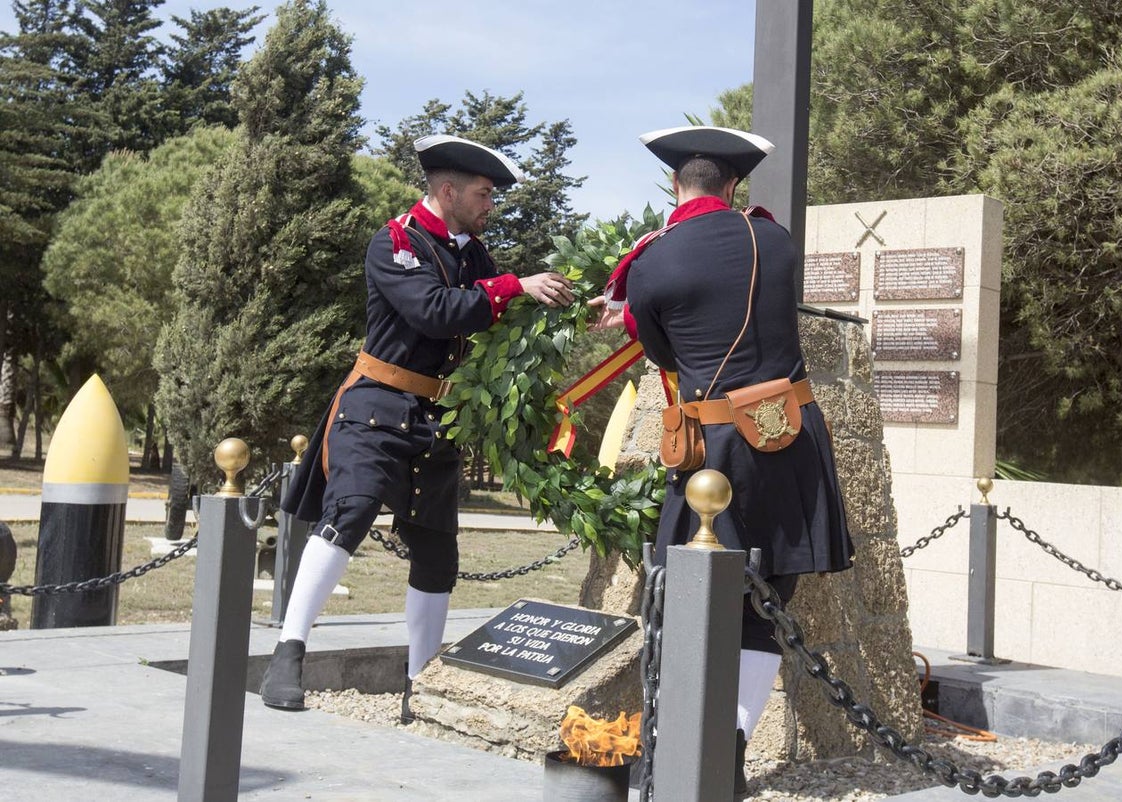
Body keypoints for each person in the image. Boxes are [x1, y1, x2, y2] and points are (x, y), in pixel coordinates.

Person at [261, 133, 575, 716]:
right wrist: (513, 287)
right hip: (377, 403)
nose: (491, 206)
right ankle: (289, 650)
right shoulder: (395, 243)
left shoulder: (472, 254)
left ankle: (419, 683)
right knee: (350, 511)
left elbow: (497, 315)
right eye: (484, 194)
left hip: (438, 416)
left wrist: (565, 302)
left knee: (436, 550)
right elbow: (432, 312)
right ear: (448, 190)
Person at [590, 125, 854, 796]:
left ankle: (684, 749)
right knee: (768, 606)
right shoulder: (777, 240)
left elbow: (662, 352)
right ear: (734, 186)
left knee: (688, 598)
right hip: (793, 436)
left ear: (675, 186)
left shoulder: (651, 261)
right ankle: (729, 749)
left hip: (719, 451)